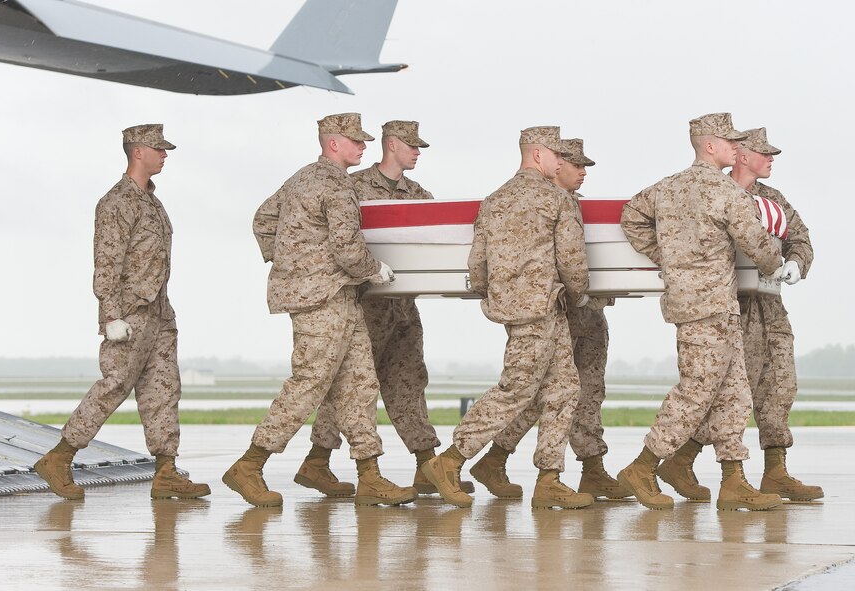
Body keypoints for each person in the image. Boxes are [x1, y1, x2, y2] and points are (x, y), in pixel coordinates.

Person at [222, 113, 417, 508]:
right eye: (355, 141)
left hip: (334, 297)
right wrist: (372, 270)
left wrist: (291, 259)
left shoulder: (302, 177)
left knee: (361, 383)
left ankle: (370, 476)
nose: (363, 146)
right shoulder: (335, 185)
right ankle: (250, 464)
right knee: (308, 383)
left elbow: (264, 218)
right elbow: (348, 249)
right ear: (333, 144)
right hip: (322, 299)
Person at [295, 120, 474, 497]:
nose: (417, 152)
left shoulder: (419, 194)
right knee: (351, 386)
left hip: (403, 306)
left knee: (410, 380)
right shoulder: (353, 187)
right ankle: (316, 460)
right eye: (411, 145)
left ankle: (427, 465)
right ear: (392, 145)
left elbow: (437, 238)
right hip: (366, 304)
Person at [33, 124, 210, 500]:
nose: (165, 155)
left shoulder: (153, 202)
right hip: (129, 315)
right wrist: (111, 315)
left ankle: (165, 472)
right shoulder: (117, 202)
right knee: (114, 385)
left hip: (160, 311)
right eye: (158, 149)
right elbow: (107, 262)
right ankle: (59, 458)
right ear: (138, 152)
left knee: (163, 391)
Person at [618, 113, 783, 511]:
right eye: (730, 143)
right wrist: (777, 261)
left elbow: (631, 217)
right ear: (710, 146)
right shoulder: (725, 192)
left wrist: (668, 257)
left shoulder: (666, 188)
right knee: (696, 390)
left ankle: (733, 479)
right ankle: (643, 466)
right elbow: (758, 246)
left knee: (734, 392)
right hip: (711, 307)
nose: (736, 148)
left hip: (694, 303)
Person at [421, 126, 592, 509]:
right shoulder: (556, 199)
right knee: (515, 389)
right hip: (543, 307)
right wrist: (578, 296)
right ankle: (450, 460)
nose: (561, 162)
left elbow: (477, 264)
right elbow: (572, 262)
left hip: (519, 307)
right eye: (556, 155)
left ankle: (549, 477)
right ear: (538, 154)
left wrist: (499, 294)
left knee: (564, 388)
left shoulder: (494, 200)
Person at [664, 128, 821, 501]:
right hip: (729, 305)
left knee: (781, 385)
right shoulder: (714, 193)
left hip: (770, 306)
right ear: (742, 155)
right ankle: (681, 459)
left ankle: (776, 471)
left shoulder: (772, 198)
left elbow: (800, 237)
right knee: (729, 391)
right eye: (763, 153)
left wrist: (798, 262)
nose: (770, 159)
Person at [472, 139, 630, 501]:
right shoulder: (543, 204)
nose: (583, 171)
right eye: (575, 164)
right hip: (555, 310)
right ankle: (497, 458)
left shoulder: (573, 206)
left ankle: (591, 469)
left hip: (587, 315)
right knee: (544, 394)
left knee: (587, 392)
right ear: (557, 165)